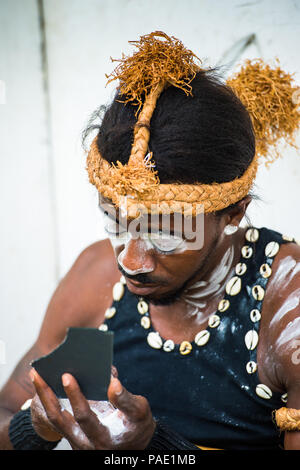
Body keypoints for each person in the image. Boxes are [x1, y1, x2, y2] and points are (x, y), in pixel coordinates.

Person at [1, 31, 300, 451]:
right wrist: (37, 427)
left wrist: (155, 448)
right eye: (116, 222)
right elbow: (7, 413)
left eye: (165, 234)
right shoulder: (95, 278)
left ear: (233, 214)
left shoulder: (289, 312)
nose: (132, 260)